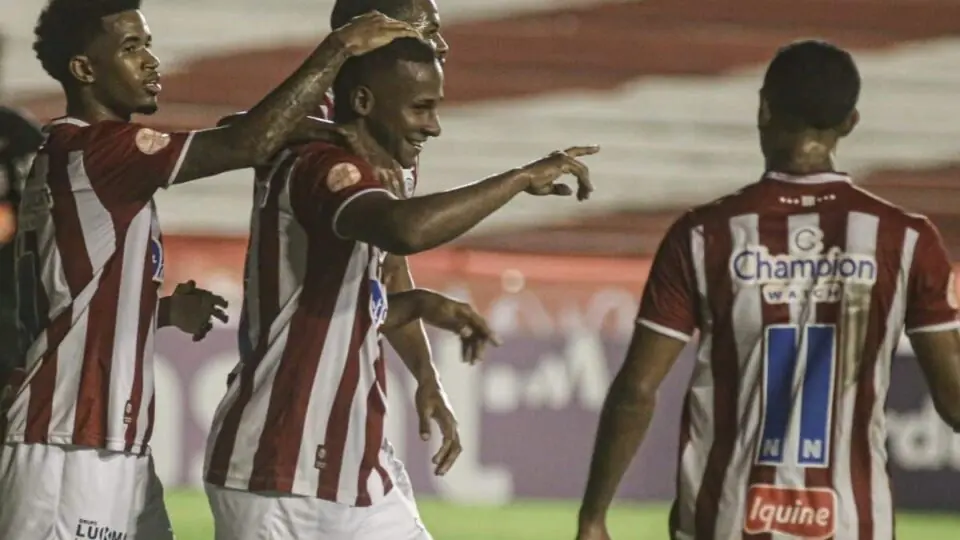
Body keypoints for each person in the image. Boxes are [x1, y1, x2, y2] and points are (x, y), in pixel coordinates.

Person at [0, 0, 424, 538]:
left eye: (147, 44)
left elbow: (68, 300)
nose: (151, 60)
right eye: (131, 48)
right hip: (68, 445)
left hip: (106, 443)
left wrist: (162, 310)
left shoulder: (71, 156)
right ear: (84, 69)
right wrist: (339, 48)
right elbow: (247, 141)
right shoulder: (97, 150)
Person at [204, 37, 598, 540]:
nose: (434, 125)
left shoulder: (379, 158)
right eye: (421, 107)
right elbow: (403, 230)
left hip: (349, 466)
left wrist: (421, 322)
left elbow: (354, 295)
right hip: (279, 467)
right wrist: (520, 178)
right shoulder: (322, 161)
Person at [574, 40, 960, 540]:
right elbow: (954, 401)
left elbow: (637, 390)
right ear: (850, 123)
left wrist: (594, 516)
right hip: (851, 522)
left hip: (726, 518)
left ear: (763, 109)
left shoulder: (703, 235)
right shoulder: (906, 240)